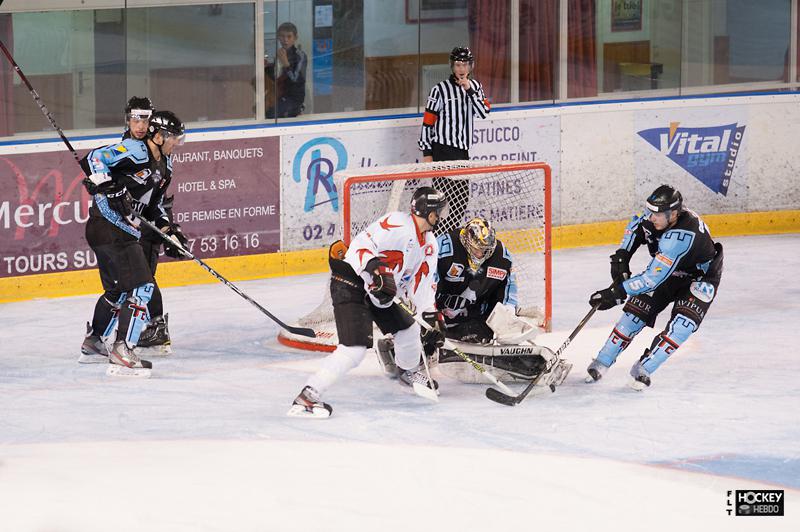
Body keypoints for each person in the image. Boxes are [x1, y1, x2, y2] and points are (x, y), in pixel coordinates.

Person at [288, 187, 448, 418]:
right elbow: (360, 245)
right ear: (428, 211)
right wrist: (376, 268)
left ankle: (408, 372)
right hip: (351, 281)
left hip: (381, 291)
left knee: (410, 331)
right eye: (439, 211)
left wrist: (430, 316)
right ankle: (308, 396)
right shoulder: (396, 223)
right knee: (353, 350)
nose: (441, 215)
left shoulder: (429, 244)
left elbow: (422, 284)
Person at [376, 216, 555, 384]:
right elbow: (425, 282)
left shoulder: (501, 257)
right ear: (467, 242)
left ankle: (444, 350)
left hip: (471, 312)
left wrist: (507, 311)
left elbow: (508, 287)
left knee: (480, 334)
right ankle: (392, 348)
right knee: (428, 334)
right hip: (439, 310)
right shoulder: (444, 248)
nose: (481, 254)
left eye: (485, 250)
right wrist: (429, 312)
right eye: (478, 249)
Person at [78, 111, 189, 377]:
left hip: (111, 231)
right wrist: (105, 183)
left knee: (118, 291)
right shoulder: (135, 149)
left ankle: (94, 344)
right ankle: (122, 350)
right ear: (158, 135)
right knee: (142, 286)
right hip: (109, 225)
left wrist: (168, 231)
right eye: (172, 137)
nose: (176, 142)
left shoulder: (166, 166)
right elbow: (94, 158)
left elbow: (155, 206)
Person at [585, 185, 724, 390]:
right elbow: (637, 227)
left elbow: (651, 279)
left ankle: (644, 368)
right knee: (633, 316)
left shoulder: (681, 235)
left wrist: (616, 293)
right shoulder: (657, 217)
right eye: (650, 211)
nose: (651, 217)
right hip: (668, 271)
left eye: (657, 214)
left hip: (699, 278)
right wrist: (622, 256)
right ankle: (601, 363)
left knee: (682, 327)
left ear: (674, 214)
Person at [121, 97, 181, 353]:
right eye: (135, 118)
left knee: (144, 276)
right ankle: (149, 325)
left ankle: (155, 325)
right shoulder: (127, 146)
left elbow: (158, 194)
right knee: (135, 277)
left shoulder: (161, 153)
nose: (140, 124)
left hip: (149, 221)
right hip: (129, 221)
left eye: (145, 118)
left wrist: (168, 229)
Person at [418, 46, 490, 232]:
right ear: (452, 66)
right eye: (458, 64)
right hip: (442, 149)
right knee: (441, 199)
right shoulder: (439, 90)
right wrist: (427, 152)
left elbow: (484, 112)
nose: (461, 69)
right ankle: (435, 237)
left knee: (461, 199)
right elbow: (428, 122)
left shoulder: (476, 87)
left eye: (465, 64)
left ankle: (443, 234)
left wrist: (470, 91)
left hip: (462, 152)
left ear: (470, 66)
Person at [265, 22, 307, 118]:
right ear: (278, 37)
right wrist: (267, 68)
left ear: (295, 38)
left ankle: (298, 109)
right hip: (280, 94)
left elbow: (296, 79)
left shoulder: (300, 55)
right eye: (282, 36)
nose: (285, 40)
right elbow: (276, 77)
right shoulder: (279, 53)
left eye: (289, 36)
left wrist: (286, 64)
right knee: (260, 110)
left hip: (294, 97)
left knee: (271, 114)